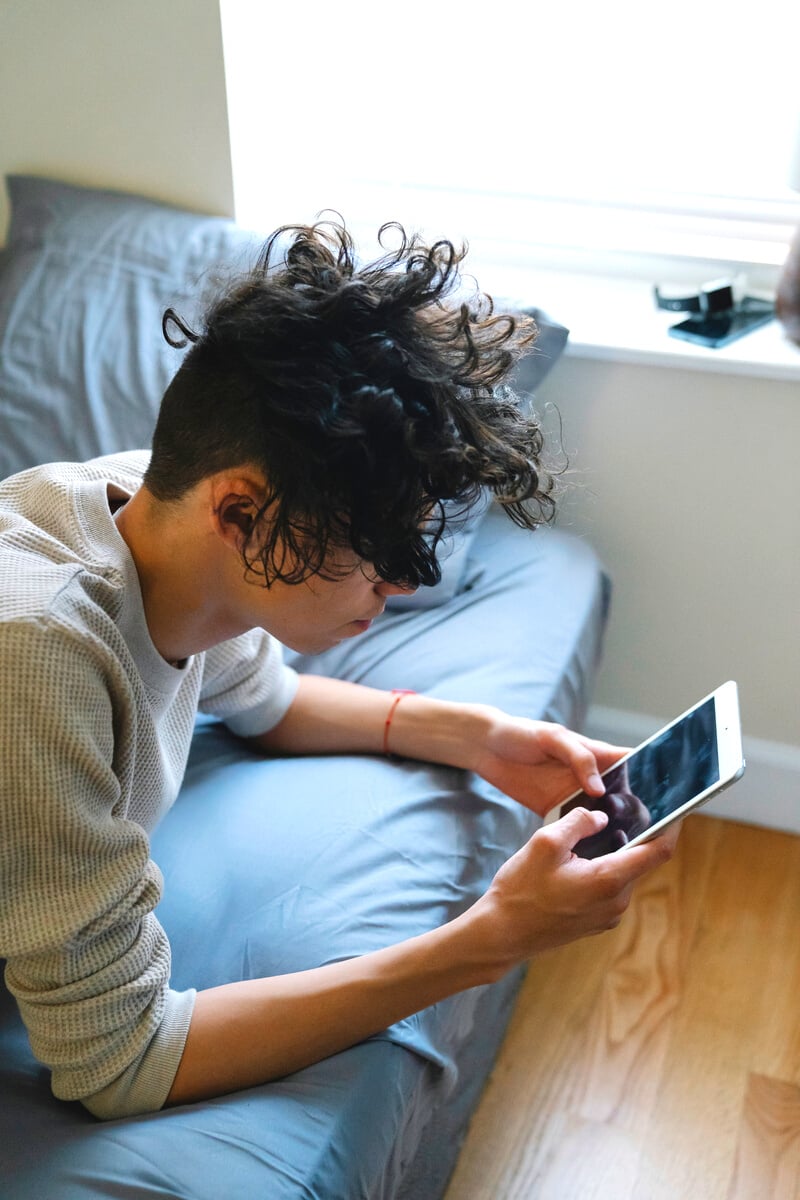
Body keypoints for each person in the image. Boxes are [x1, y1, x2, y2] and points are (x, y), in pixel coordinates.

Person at [0, 220, 678, 1121]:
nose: (397, 585)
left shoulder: (148, 511)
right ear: (238, 511)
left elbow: (266, 705)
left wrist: (478, 736)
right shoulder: (40, 655)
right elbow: (119, 1061)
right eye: (370, 552)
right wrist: (491, 938)